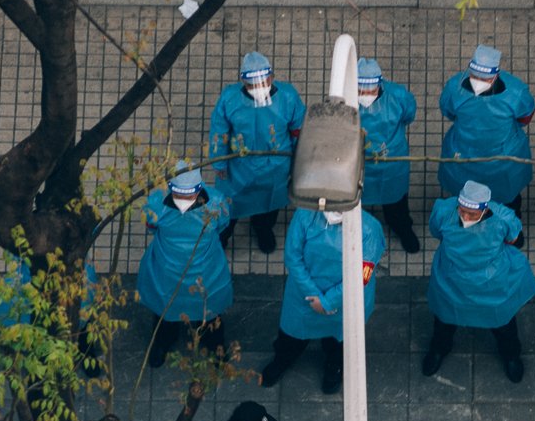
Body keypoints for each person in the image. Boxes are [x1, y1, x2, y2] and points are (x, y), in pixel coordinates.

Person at [263, 203, 385, 393]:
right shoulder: (305, 214)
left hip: (344, 302)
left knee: (340, 341)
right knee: (291, 336)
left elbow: (362, 276)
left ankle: (334, 367)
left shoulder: (369, 229)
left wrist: (327, 301)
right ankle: (283, 359)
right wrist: (315, 296)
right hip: (304, 296)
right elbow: (293, 257)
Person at [423, 180, 535, 382]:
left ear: (485, 209)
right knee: (444, 319)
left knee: (503, 323)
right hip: (452, 279)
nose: (465, 217)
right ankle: (439, 348)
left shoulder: (504, 218)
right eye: (462, 211)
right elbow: (436, 230)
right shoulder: (443, 211)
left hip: (491, 283)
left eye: (472, 214)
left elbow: (517, 239)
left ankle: (511, 355)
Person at [206, 52, 305, 254]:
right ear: (243, 82)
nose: (259, 88)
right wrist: (219, 163)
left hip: (276, 167)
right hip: (239, 167)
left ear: (272, 77)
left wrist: (300, 162)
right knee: (230, 206)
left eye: (263, 82)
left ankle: (262, 229)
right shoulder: (229, 99)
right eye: (253, 85)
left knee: (269, 207)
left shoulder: (288, 97)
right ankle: (222, 236)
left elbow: (299, 131)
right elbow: (219, 132)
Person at [135, 166, 233, 366]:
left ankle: (167, 343)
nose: (184, 202)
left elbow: (151, 227)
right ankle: (212, 345)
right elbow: (222, 226)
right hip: (205, 270)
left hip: (168, 268)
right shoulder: (216, 202)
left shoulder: (156, 202)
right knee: (206, 307)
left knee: (167, 307)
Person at [438, 43, 535, 207]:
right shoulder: (454, 87)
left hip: (475, 154)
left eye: (484, 79)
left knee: (504, 201)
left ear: (496, 75)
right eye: (474, 77)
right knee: (473, 201)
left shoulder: (516, 92)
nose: (478, 83)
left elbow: (526, 117)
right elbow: (524, 118)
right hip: (499, 155)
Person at [358, 59, 423, 253]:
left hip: (391, 158)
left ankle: (402, 227)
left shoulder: (398, 96)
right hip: (357, 159)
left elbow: (408, 115)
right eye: (361, 91)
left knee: (396, 199)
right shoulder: (343, 97)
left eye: (371, 90)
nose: (366, 96)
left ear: (380, 84)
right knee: (353, 197)